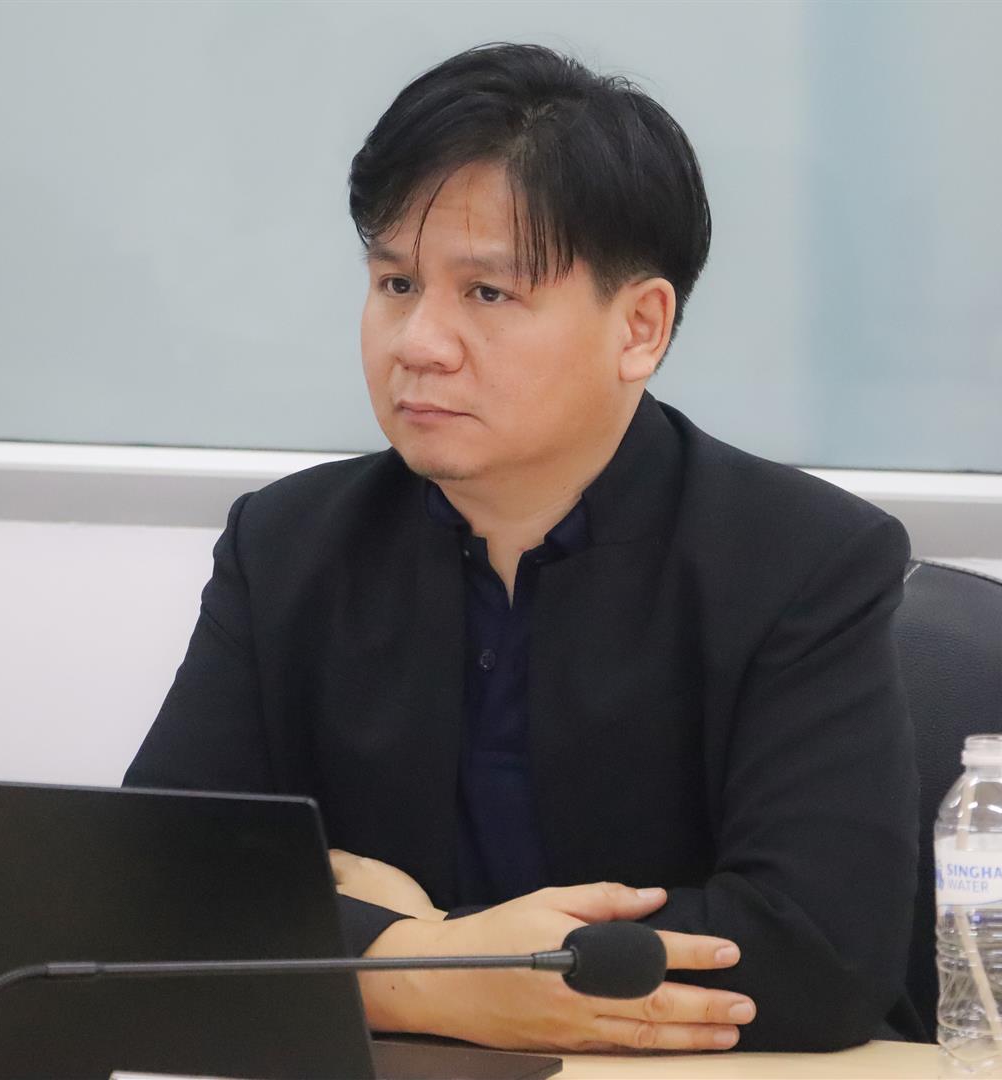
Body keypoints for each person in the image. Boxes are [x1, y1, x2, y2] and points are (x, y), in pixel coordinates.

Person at [125, 42, 920, 1054]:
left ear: (639, 328)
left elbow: (818, 950)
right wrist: (419, 976)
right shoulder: (286, 547)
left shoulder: (803, 563)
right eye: (396, 282)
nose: (418, 342)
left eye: (487, 294)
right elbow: (152, 886)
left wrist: (415, 949)